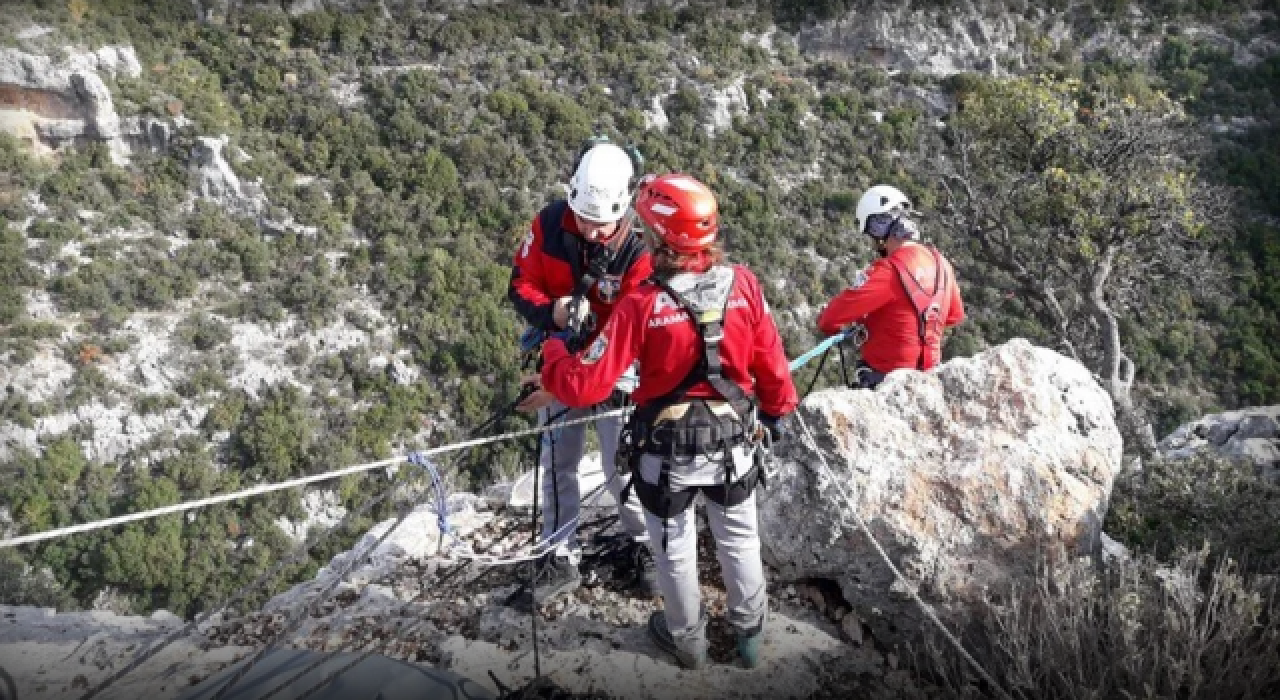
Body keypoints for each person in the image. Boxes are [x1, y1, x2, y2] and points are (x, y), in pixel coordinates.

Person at [536, 173, 798, 670]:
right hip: (732, 443)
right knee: (739, 537)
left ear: (658, 238)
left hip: (667, 450)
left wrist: (553, 355)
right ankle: (750, 638)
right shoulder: (743, 285)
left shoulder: (642, 304)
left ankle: (688, 643)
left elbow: (587, 383)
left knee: (674, 547)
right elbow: (772, 362)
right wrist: (779, 410)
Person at [508, 141, 656, 604]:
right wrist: (552, 311)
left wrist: (558, 383)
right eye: (586, 220)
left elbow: (628, 335)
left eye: (602, 223)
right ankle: (560, 551)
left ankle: (643, 544)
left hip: (615, 367)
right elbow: (519, 285)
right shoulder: (551, 225)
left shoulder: (639, 250)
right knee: (558, 462)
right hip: (560, 357)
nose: (593, 232)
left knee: (622, 465)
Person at [817, 184, 965, 389]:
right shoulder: (942, 264)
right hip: (931, 379)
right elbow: (953, 315)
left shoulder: (887, 272)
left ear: (877, 230)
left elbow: (830, 319)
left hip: (887, 382)